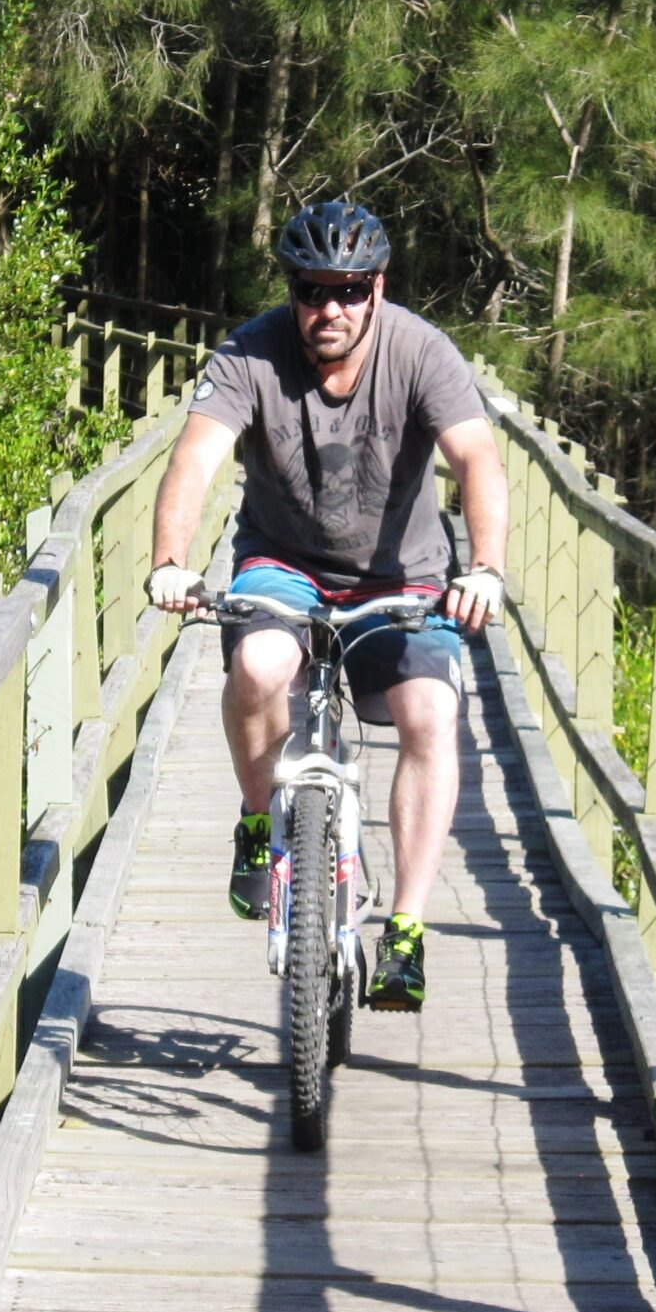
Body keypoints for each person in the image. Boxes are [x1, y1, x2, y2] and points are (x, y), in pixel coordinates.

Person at [144, 199, 510, 1010]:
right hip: (284, 565)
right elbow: (195, 458)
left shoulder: (421, 352)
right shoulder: (250, 353)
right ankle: (256, 821)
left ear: (378, 288)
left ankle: (405, 931)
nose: (330, 309)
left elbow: (477, 458)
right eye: (312, 291)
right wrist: (170, 562)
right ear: (292, 291)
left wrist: (485, 568)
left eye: (348, 290)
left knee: (429, 713)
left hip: (400, 577)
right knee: (257, 664)